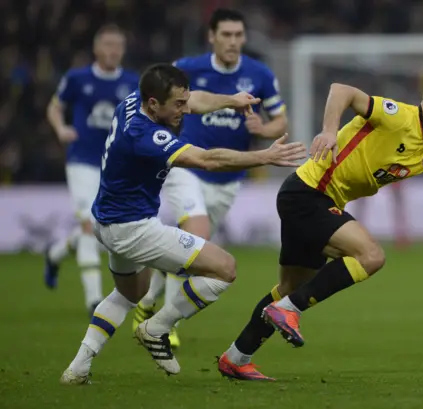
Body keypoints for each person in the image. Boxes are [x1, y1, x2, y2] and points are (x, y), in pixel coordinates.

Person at [216, 79, 423, 381]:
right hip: (308, 194)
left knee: (289, 289)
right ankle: (289, 310)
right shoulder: (397, 116)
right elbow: (340, 90)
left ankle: (237, 357)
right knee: (371, 255)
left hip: (315, 201)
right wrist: (329, 132)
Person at [59, 63, 306, 385]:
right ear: (153, 104)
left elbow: (195, 100)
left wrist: (230, 100)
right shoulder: (145, 135)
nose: (184, 110)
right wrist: (264, 157)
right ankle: (157, 328)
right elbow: (207, 160)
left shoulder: (137, 100)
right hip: (132, 229)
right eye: (177, 105)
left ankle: (77, 369)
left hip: (107, 222)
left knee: (129, 294)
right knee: (224, 269)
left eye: (182, 101)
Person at [132, 8, 288, 349]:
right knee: (195, 237)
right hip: (187, 165)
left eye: (238, 35)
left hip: (229, 177)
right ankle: (164, 327)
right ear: (212, 37)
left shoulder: (259, 73)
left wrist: (263, 129)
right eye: (226, 35)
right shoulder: (187, 68)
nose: (233, 42)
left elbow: (280, 121)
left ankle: (146, 304)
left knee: (189, 249)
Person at [44, 24, 139, 315]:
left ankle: (56, 252)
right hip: (82, 160)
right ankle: (94, 300)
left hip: (114, 165)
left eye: (117, 45)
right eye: (107, 44)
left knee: (99, 227)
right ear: (97, 48)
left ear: (123, 49)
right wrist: (60, 129)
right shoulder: (77, 78)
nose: (112, 50)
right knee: (89, 224)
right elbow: (54, 106)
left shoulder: (133, 81)